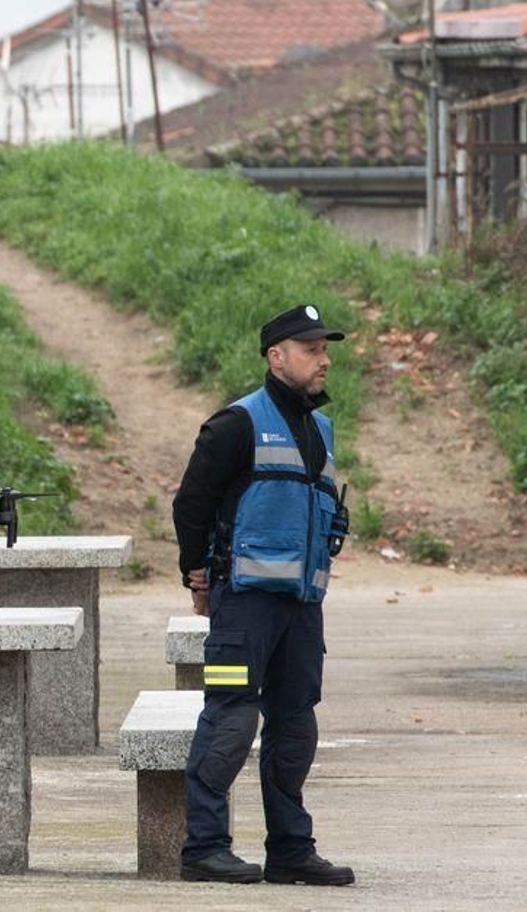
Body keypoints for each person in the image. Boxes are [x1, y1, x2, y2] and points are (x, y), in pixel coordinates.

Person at [170, 304, 355, 886]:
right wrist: (197, 576)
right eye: (311, 349)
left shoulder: (319, 428)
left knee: (295, 725)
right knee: (231, 719)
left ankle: (291, 849)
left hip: (301, 607)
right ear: (277, 358)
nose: (323, 359)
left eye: (325, 349)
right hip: (243, 606)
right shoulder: (236, 424)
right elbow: (191, 505)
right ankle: (203, 847)